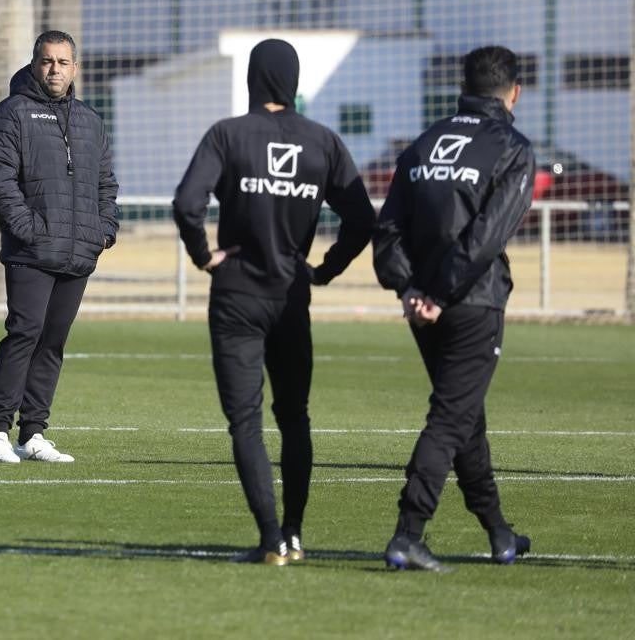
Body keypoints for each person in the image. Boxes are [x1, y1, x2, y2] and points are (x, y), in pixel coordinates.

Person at [173, 39, 375, 565]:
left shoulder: (228, 134)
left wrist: (204, 256)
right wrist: (324, 270)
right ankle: (295, 534)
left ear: (253, 79)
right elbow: (363, 219)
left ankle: (269, 541)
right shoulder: (323, 142)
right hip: (292, 294)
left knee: (246, 420)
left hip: (236, 294)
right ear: (292, 80)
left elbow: (186, 203)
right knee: (295, 416)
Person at [373, 45, 534, 572]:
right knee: (450, 418)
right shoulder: (511, 147)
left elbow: (388, 230)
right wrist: (438, 292)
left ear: (462, 88)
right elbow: (488, 236)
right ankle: (408, 534)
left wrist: (409, 290)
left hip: (426, 308)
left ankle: (499, 532)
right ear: (514, 92)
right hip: (470, 304)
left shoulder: (423, 144)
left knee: (466, 419)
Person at [0, 29, 119, 464]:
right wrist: (28, 228)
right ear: (35, 63)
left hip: (78, 252)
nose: (54, 69)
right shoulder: (13, 113)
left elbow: (106, 185)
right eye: (46, 61)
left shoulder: (90, 121)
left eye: (62, 62)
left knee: (53, 341)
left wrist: (102, 231)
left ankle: (33, 433)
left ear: (75, 67)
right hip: (31, 251)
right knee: (24, 334)